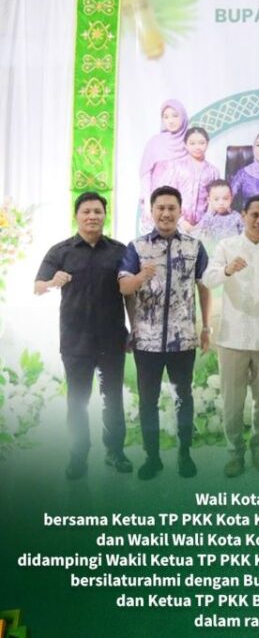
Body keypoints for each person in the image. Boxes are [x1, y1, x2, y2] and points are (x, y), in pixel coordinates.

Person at [35, 192, 131, 480]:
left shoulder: (119, 251)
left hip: (112, 339)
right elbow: (38, 287)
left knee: (113, 399)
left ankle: (115, 452)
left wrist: (134, 329)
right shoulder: (61, 251)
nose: (92, 216)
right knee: (77, 401)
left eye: (97, 211)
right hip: (75, 341)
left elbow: (130, 293)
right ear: (76, 215)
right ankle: (78, 456)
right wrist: (52, 281)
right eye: (86, 211)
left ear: (105, 215)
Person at [119, 185, 211, 480]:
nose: (166, 213)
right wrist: (140, 276)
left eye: (172, 208)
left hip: (183, 339)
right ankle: (152, 457)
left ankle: (185, 454)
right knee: (148, 401)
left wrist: (206, 327)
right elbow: (124, 287)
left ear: (180, 211)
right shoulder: (136, 247)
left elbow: (204, 287)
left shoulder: (194, 247)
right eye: (161, 208)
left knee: (183, 397)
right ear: (152, 211)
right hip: (146, 340)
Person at [202, 196, 259, 477]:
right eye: (255, 215)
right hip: (233, 337)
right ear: (243, 215)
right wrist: (227, 270)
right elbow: (208, 279)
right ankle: (234, 453)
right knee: (232, 401)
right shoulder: (227, 246)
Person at [138, 99, 189, 233]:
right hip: (157, 205)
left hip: (183, 210)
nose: (170, 121)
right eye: (166, 117)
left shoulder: (190, 142)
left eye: (175, 115)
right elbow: (146, 175)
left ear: (183, 116)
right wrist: (148, 204)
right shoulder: (155, 143)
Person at [157, 126, 219, 231]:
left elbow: (214, 199)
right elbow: (168, 195)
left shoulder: (213, 171)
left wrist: (204, 223)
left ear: (207, 143)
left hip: (203, 227)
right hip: (177, 224)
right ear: (185, 145)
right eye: (192, 143)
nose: (197, 147)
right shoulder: (176, 167)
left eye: (201, 143)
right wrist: (180, 221)